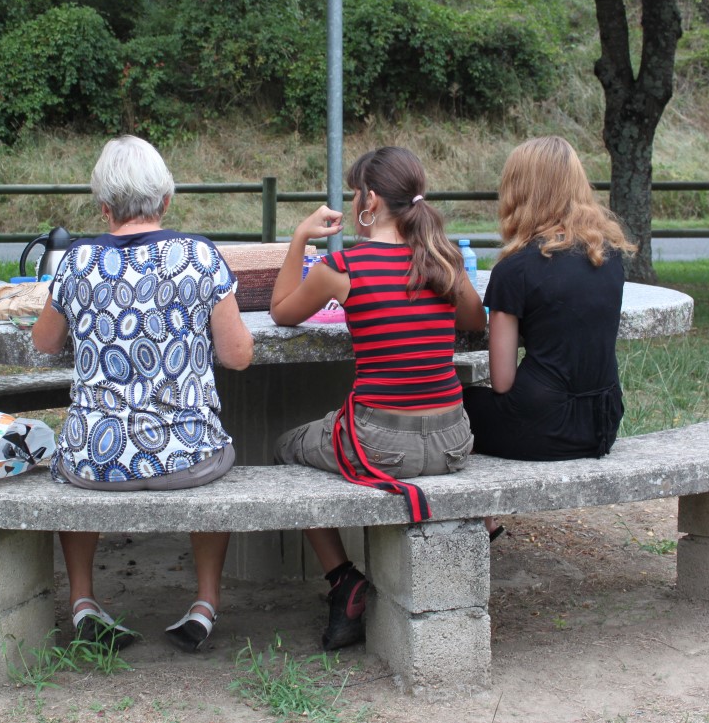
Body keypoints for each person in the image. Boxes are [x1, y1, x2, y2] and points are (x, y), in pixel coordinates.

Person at [32, 135, 254, 654]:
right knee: (218, 447)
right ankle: (205, 603)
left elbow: (45, 342)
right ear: (166, 201)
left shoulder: (77, 261)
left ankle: (83, 601)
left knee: (67, 452)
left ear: (104, 208)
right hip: (189, 455)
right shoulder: (199, 256)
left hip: (95, 460)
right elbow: (238, 355)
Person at [269, 146, 486, 650]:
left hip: (382, 446)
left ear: (369, 200)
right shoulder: (443, 262)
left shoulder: (341, 266)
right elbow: (475, 319)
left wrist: (300, 237)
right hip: (453, 441)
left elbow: (281, 311)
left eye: (354, 194)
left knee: (285, 448)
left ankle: (343, 579)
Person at [464, 135, 637, 470]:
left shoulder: (514, 270)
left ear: (519, 191)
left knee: (450, 406)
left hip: (541, 426)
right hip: (603, 422)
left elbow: (502, 381)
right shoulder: (609, 255)